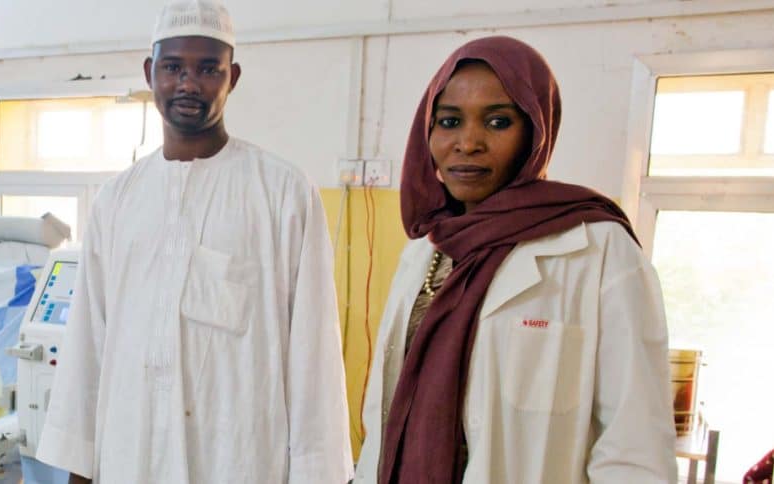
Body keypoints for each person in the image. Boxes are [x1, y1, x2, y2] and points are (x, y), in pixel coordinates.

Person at [33, 1, 352, 483]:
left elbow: (314, 350)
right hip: (131, 456)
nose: (187, 84)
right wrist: (81, 467)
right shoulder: (117, 200)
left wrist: (320, 472)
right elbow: (87, 345)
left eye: (207, 69)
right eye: (173, 67)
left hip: (237, 458)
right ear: (150, 72)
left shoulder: (283, 193)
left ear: (233, 77)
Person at [352, 36, 677, 483]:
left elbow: (634, 452)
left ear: (536, 132)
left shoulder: (598, 252)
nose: (468, 143)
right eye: (448, 121)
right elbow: (386, 419)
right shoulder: (424, 252)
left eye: (498, 122)